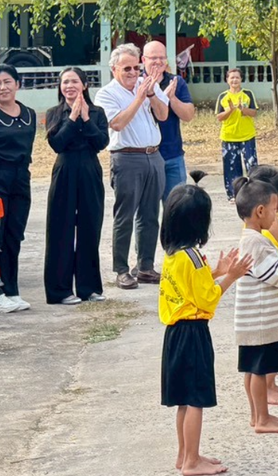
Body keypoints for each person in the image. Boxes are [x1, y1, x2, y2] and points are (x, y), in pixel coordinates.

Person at [158, 176, 251, 476]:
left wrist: (217, 271)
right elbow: (207, 300)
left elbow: (191, 287)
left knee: (184, 401)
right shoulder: (194, 257)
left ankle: (185, 454)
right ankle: (191, 462)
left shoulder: (174, 255)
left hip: (174, 335)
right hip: (192, 333)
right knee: (195, 400)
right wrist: (231, 276)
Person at [95, 44, 170, 290]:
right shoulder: (106, 94)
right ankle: (121, 269)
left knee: (150, 215)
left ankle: (145, 266)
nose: (132, 73)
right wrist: (139, 98)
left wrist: (151, 94)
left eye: (136, 68)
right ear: (114, 69)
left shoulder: (146, 84)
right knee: (125, 216)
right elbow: (117, 123)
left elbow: (163, 115)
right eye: (126, 68)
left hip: (153, 155)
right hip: (126, 158)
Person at [232, 175, 278, 434]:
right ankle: (262, 419)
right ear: (260, 211)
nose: (275, 215)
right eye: (273, 210)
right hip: (260, 322)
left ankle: (258, 415)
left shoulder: (253, 239)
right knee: (258, 372)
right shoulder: (256, 242)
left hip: (254, 322)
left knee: (253, 371)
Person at [44, 67, 110, 305]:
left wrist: (86, 118)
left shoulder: (97, 112)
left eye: (74, 81)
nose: (69, 86)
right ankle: (59, 290)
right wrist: (72, 118)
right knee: (60, 228)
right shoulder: (54, 113)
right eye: (65, 82)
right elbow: (57, 144)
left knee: (89, 227)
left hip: (90, 170)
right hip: (65, 170)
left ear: (84, 85)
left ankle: (88, 288)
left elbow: (101, 142)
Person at [0, 64, 37, 314]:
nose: (2, 87)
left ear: (17, 84)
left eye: (7, 82)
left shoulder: (30, 114)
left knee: (15, 235)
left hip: (20, 179)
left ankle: (12, 290)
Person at [144, 41, 197, 199]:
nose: (158, 62)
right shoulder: (137, 83)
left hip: (173, 155)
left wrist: (171, 98)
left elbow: (188, 115)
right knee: (147, 208)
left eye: (162, 57)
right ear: (143, 59)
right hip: (145, 156)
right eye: (153, 58)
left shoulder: (176, 82)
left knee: (176, 206)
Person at [216, 69, 259, 202]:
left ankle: (254, 193)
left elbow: (254, 113)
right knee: (231, 168)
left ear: (241, 79)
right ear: (227, 80)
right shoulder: (223, 96)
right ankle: (234, 194)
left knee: (252, 167)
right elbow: (219, 117)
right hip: (229, 137)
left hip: (247, 136)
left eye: (237, 78)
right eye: (232, 78)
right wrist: (230, 110)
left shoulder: (248, 94)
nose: (234, 80)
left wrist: (242, 109)